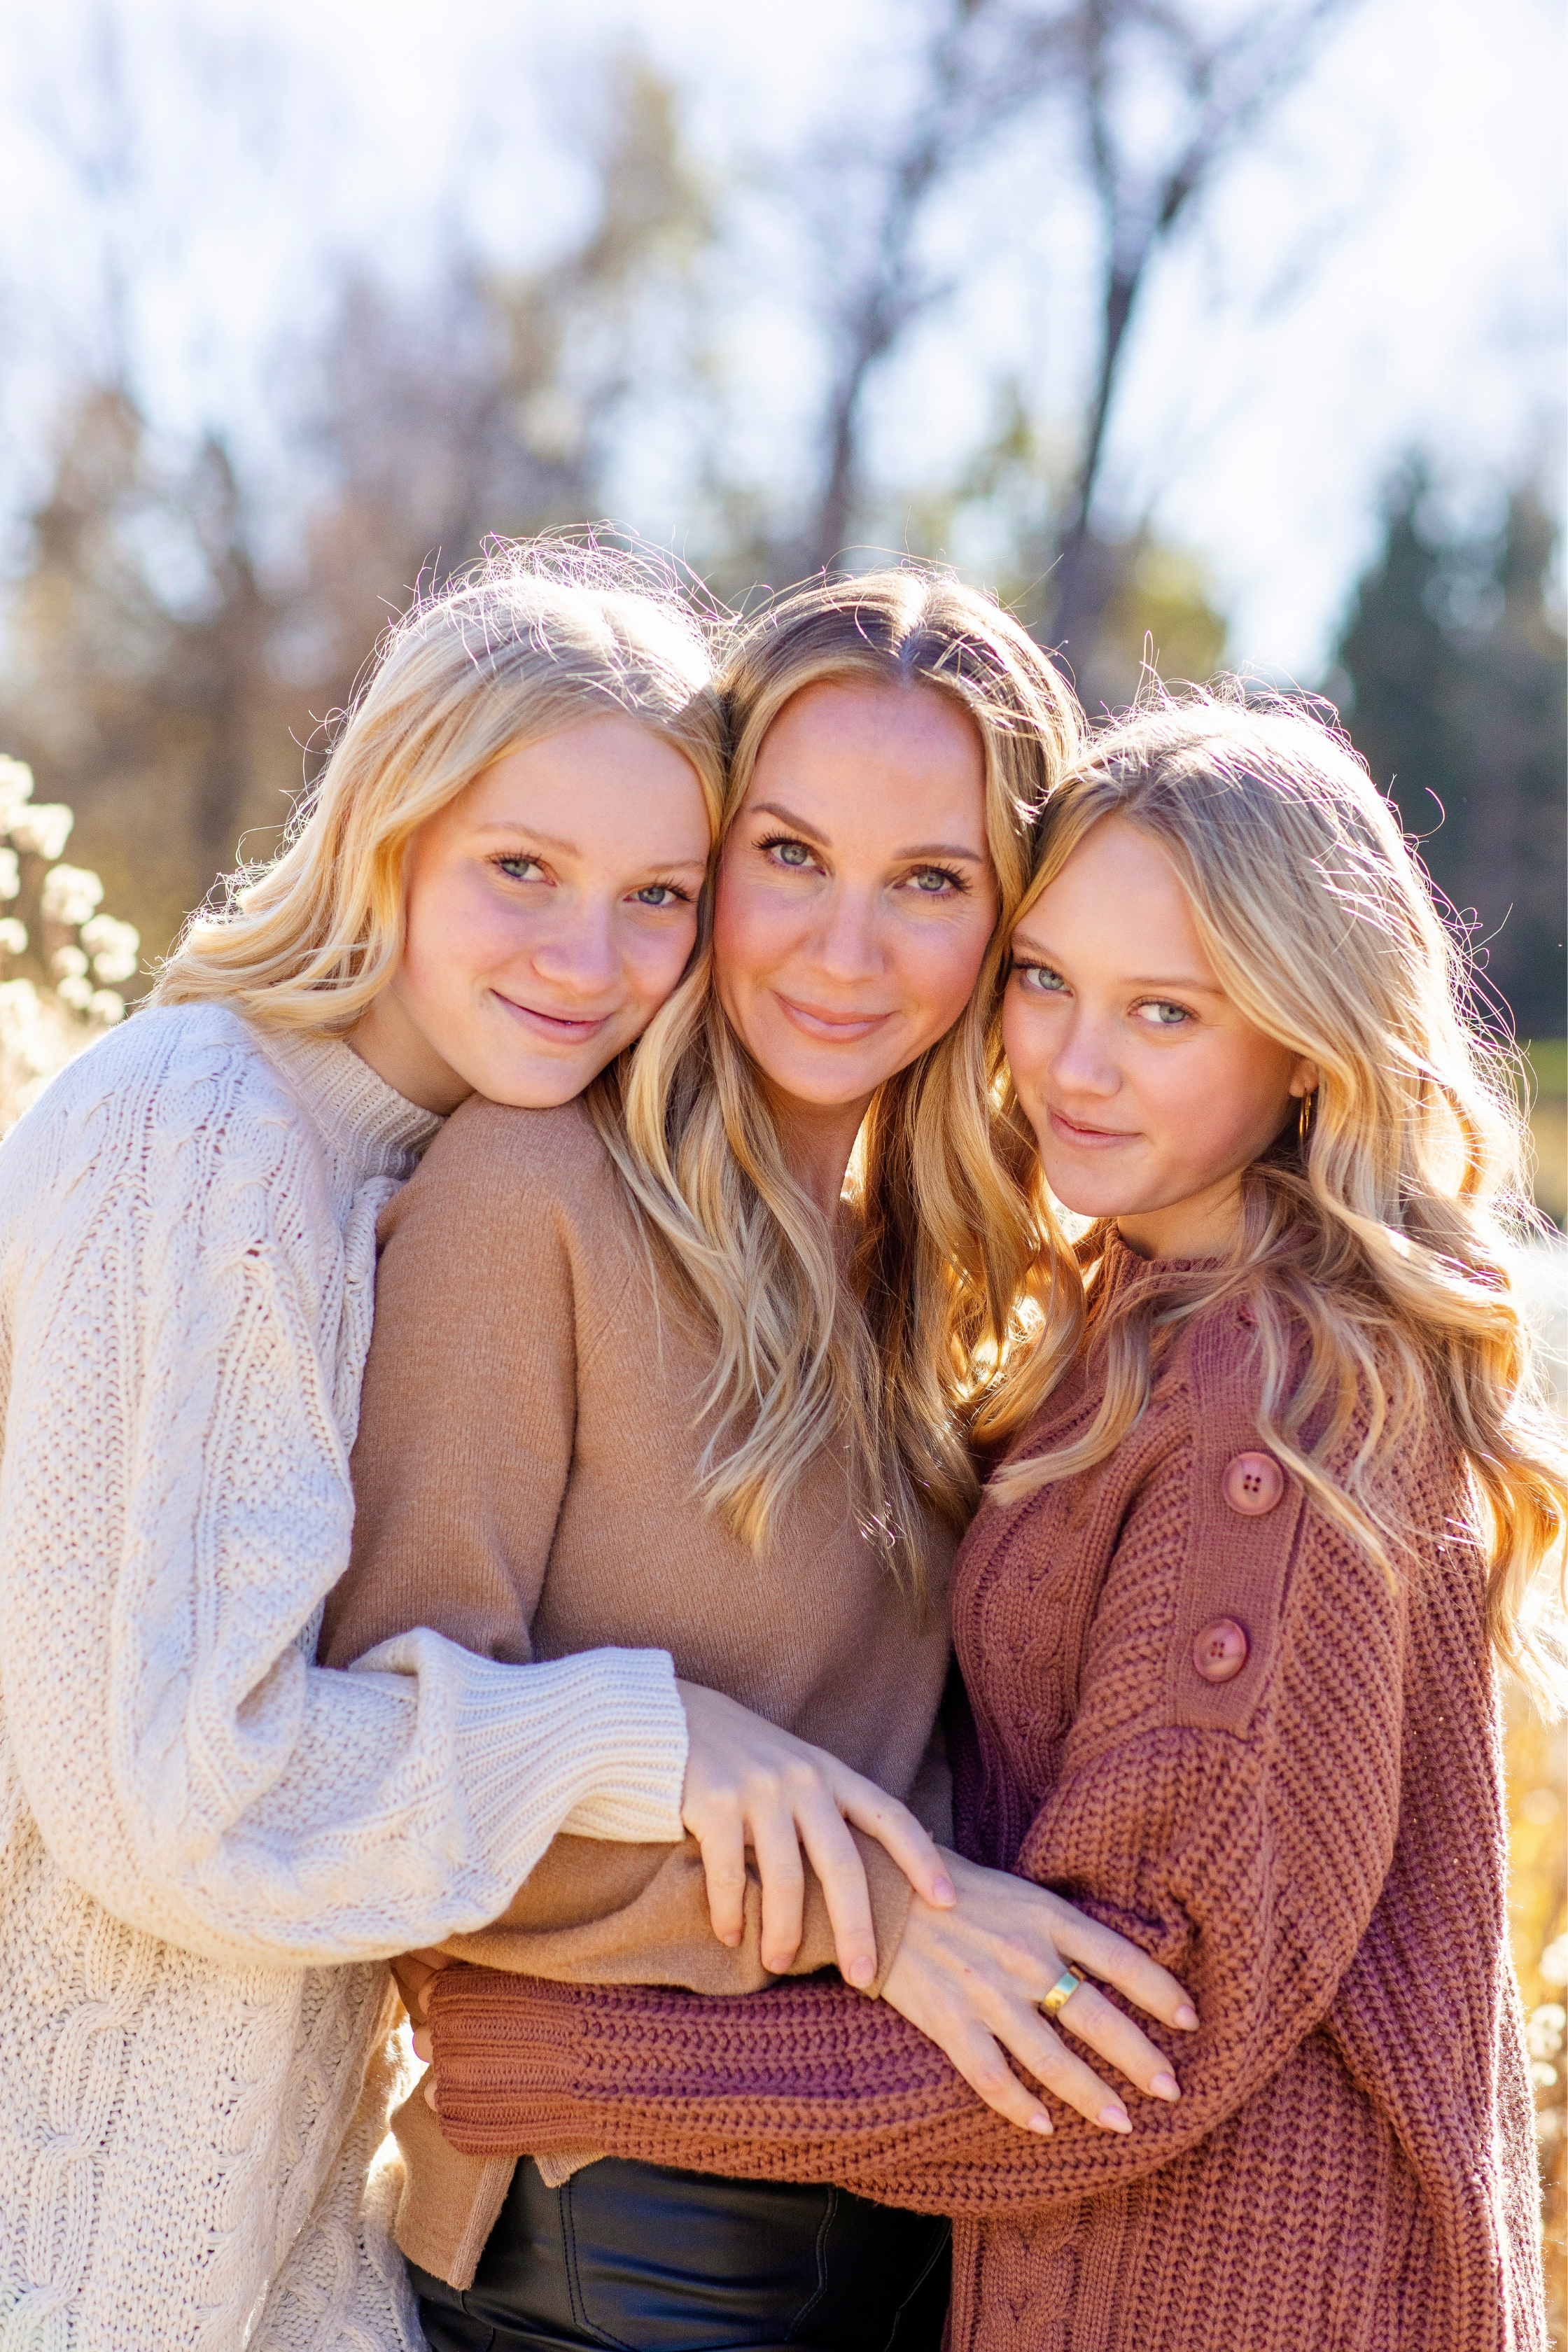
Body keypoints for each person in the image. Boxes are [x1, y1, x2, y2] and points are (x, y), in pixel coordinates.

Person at [424, 685, 1565, 2352]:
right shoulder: (1138, 1313)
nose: (1074, 1066)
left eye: (1164, 1012)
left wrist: (545, 2058)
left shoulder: (1270, 1399)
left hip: (1245, 2295)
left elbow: (1133, 2036)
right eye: (1046, 981)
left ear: (1305, 1043)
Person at [0, 538, 927, 2351]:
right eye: (523, 869)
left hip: (278, 2256)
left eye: (657, 896)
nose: (588, 959)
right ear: (388, 832)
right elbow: (185, 1801)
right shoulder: (198, 1128)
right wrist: (654, 1742)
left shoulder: (407, 1163)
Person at [321, 570, 1201, 2352]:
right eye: (790, 855)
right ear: (710, 855)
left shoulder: (943, 1269)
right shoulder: (530, 1198)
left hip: (915, 2195)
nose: (843, 952)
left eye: (930, 882)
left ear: (1007, 929)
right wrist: (879, 1908)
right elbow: (384, 1773)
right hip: (626, 2235)